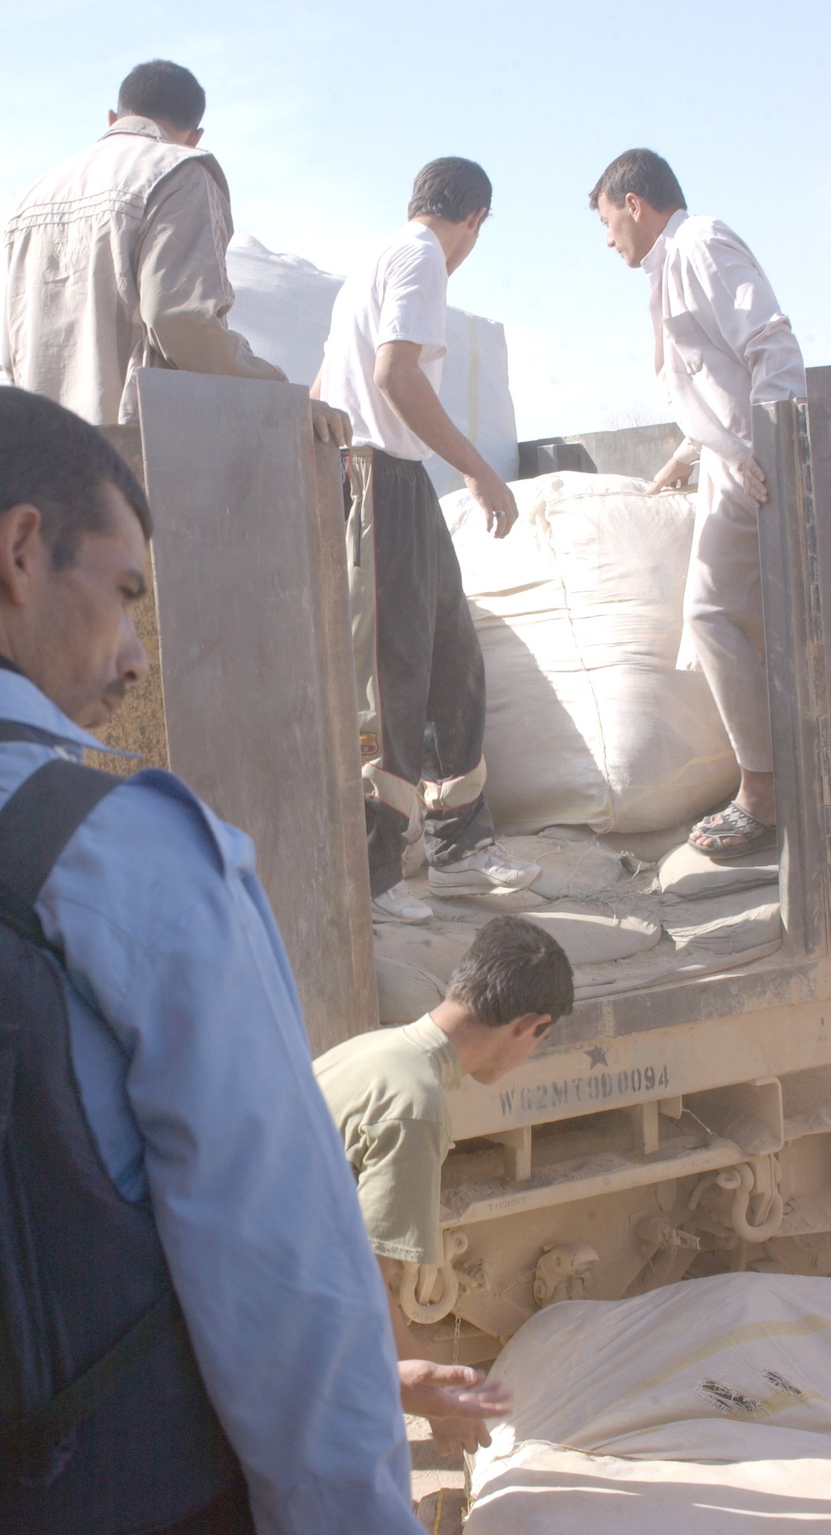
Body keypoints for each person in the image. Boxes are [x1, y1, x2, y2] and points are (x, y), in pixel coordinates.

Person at [0, 384, 425, 1535]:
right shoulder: (125, 850)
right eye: (122, 592)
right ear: (18, 549)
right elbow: (282, 1278)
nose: (135, 657)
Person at [313, 157, 540, 924]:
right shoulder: (420, 257)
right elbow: (394, 375)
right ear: (474, 220)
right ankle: (373, 878)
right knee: (392, 675)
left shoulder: (371, 265)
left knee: (452, 658)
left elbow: (322, 388)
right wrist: (477, 469)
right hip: (383, 484)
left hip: (397, 482)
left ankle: (462, 849)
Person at [590, 148, 807, 860]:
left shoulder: (700, 242)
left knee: (711, 617)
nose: (609, 238)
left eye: (608, 221)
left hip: (755, 467)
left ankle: (764, 795)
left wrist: (768, 458)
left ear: (634, 204)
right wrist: (683, 461)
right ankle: (778, 784)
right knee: (736, 623)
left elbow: (772, 347)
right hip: (729, 462)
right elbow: (704, 386)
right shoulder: (665, 267)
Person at [315, 914, 574, 1455]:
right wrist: (430, 1394)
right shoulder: (416, 1106)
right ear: (530, 1026)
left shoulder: (374, 1050)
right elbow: (363, 1282)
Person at [4, 59, 347, 447]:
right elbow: (180, 320)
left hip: (41, 452)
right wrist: (284, 397)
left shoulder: (35, 195)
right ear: (194, 136)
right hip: (131, 455)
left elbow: (13, 347)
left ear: (113, 117)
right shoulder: (178, 172)